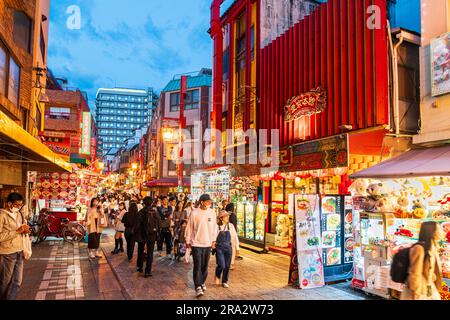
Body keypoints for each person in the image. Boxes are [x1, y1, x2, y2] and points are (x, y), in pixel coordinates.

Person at [185, 194, 218, 297]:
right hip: (196, 243)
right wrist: (187, 240)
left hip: (207, 243)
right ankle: (198, 286)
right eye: (208, 202)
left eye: (210, 202)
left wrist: (213, 240)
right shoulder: (194, 213)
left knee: (205, 265)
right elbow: (189, 227)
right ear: (202, 202)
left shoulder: (212, 213)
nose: (209, 203)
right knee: (198, 265)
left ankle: (202, 281)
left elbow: (214, 227)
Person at [401, 221, 443, 300]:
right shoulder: (419, 248)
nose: (441, 231)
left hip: (428, 287)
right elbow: (414, 272)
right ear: (432, 232)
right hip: (419, 290)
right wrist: (415, 293)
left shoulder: (433, 247)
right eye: (438, 229)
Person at [0, 192, 30, 300]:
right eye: (16, 205)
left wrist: (25, 230)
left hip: (19, 251)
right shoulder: (2, 215)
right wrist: (16, 231)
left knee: (17, 282)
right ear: (9, 203)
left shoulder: (19, 214)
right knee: (5, 281)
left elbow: (21, 230)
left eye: (20, 205)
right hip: (7, 252)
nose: (18, 207)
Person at [135, 197, 160, 277]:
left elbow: (137, 225)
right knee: (150, 253)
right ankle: (148, 271)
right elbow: (159, 222)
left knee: (140, 250)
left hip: (142, 234)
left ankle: (140, 267)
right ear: (152, 203)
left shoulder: (141, 212)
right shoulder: (155, 212)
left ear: (144, 203)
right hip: (152, 234)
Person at [214, 211, 239, 288]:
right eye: (226, 216)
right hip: (219, 248)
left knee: (227, 266)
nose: (228, 217)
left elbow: (235, 237)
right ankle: (217, 275)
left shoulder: (230, 226)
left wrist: (237, 248)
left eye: (228, 216)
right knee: (221, 265)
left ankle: (224, 281)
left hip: (228, 247)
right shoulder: (216, 227)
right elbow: (213, 237)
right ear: (221, 218)